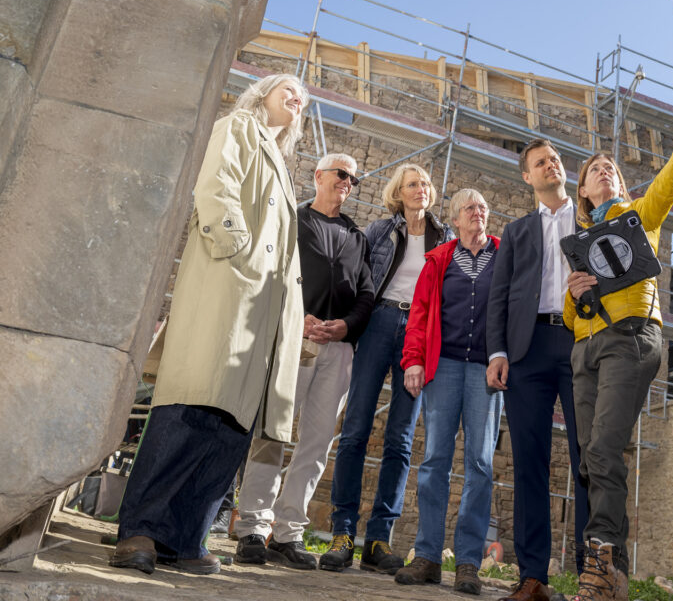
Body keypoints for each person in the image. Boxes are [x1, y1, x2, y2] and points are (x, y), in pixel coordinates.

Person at [109, 73, 309, 575]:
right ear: (262, 92)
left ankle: (184, 540)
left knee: (229, 427)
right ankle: (140, 531)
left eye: (303, 98)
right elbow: (216, 181)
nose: (298, 97)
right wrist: (234, 248)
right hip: (231, 287)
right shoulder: (240, 124)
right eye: (289, 87)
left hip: (261, 310)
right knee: (191, 407)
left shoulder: (282, 164)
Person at [565, 87, 673, 601]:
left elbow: (670, 183)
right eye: (595, 170)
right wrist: (575, 291)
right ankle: (615, 576)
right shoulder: (580, 243)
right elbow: (571, 315)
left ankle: (599, 559)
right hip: (586, 347)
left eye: (612, 169)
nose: (605, 172)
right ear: (582, 189)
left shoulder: (637, 217)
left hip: (630, 337)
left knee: (604, 447)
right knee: (588, 456)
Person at [234, 152, 374, 569]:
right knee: (273, 432)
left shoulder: (357, 236)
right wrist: (299, 318)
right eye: (340, 174)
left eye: (354, 178)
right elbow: (273, 274)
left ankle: (288, 532)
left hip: (338, 349)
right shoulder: (293, 220)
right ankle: (253, 529)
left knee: (315, 443)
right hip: (293, 340)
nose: (347, 182)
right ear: (318, 176)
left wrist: (345, 327)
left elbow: (366, 294)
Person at [320, 164, 454, 573]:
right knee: (356, 426)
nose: (421, 189)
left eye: (426, 184)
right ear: (399, 192)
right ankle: (343, 531)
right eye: (413, 184)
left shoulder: (445, 238)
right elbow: (360, 280)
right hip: (379, 323)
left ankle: (379, 540)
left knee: (400, 437)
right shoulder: (379, 231)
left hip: (418, 333)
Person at [486, 139, 588, 601]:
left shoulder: (590, 220)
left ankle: (593, 576)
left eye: (555, 159)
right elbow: (499, 294)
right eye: (540, 162)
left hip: (580, 343)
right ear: (527, 176)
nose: (551, 164)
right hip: (527, 350)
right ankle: (533, 577)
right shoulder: (517, 231)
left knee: (590, 457)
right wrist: (497, 352)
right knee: (529, 462)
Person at [394, 189, 503, 596]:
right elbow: (420, 312)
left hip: (486, 371)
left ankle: (469, 564)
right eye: (470, 209)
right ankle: (426, 556)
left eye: (483, 208)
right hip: (444, 367)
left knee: (480, 462)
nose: (478, 213)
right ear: (455, 220)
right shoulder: (438, 260)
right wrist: (414, 360)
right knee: (435, 459)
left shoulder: (502, 256)